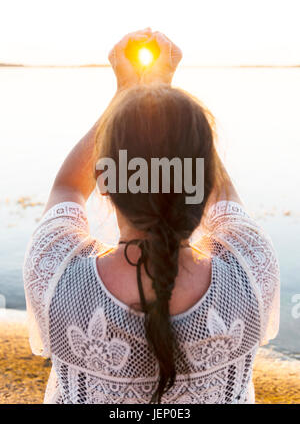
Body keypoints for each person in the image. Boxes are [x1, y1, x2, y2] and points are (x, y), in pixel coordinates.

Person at [23, 28, 280, 404]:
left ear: (105, 179)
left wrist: (125, 93)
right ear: (203, 178)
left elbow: (68, 188)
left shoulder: (56, 276)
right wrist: (167, 99)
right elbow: (220, 190)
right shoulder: (251, 271)